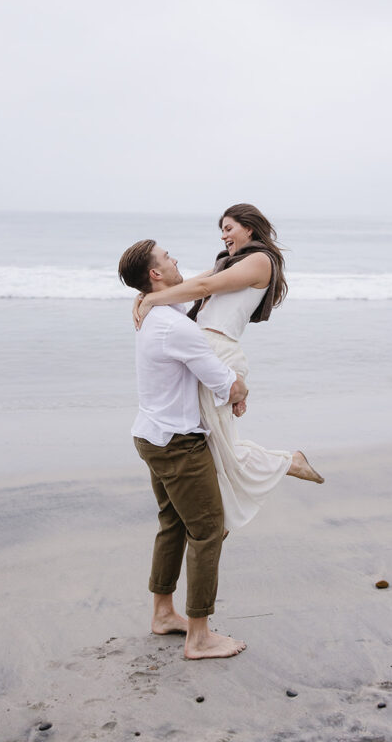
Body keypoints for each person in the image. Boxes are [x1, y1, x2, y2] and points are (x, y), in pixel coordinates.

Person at [132, 203, 324, 533]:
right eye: (221, 230)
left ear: (249, 228)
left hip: (217, 350)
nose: (224, 236)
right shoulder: (229, 262)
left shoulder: (261, 260)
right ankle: (211, 510)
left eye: (229, 228)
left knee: (220, 446)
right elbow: (194, 282)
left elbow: (204, 289)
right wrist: (143, 295)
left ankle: (286, 463)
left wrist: (151, 302)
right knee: (212, 442)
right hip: (209, 350)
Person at [118, 238, 249, 659]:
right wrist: (241, 385)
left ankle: (162, 614)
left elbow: (196, 285)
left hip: (151, 434)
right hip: (177, 443)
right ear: (155, 274)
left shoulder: (156, 310)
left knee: (173, 523)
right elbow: (222, 383)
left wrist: (224, 266)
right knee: (209, 529)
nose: (175, 260)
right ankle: (199, 636)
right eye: (167, 257)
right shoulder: (175, 325)